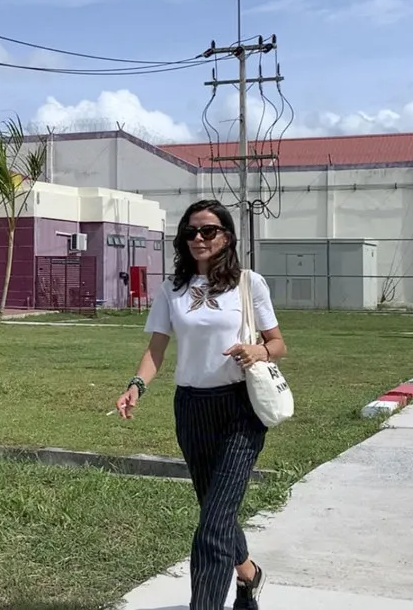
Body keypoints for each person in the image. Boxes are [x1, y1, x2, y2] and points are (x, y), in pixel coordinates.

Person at [115, 198, 286, 610]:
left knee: (211, 527)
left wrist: (256, 351)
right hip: (191, 410)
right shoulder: (173, 289)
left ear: (226, 236)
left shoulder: (249, 283)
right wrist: (136, 385)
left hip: (240, 410)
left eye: (208, 231)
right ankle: (248, 574)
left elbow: (278, 343)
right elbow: (157, 348)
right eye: (190, 232)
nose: (198, 239)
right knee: (215, 511)